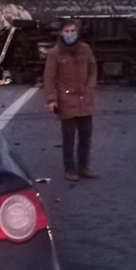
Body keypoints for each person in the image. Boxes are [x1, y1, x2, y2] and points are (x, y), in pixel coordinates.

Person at [43, 20, 99, 181]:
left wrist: (90, 86)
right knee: (68, 138)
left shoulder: (85, 49)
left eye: (72, 30)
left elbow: (93, 68)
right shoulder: (54, 53)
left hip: (85, 100)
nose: (70, 34)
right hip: (66, 100)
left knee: (86, 136)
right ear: (61, 33)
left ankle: (84, 167)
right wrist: (51, 99)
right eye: (66, 31)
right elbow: (49, 78)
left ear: (77, 32)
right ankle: (69, 169)